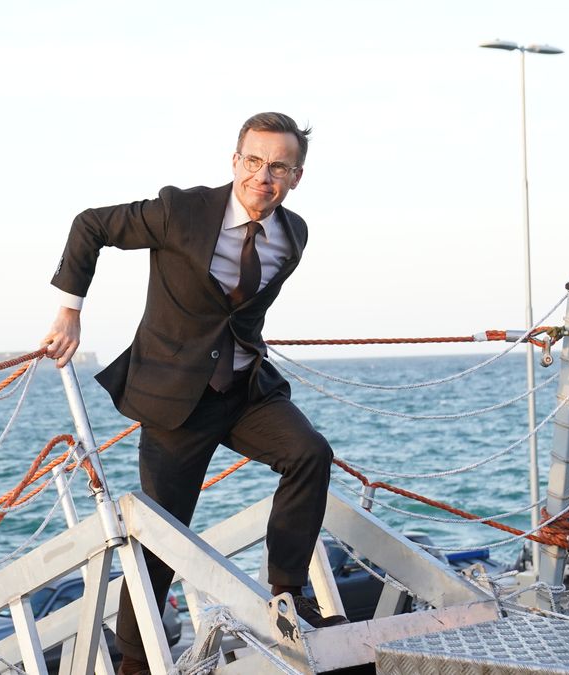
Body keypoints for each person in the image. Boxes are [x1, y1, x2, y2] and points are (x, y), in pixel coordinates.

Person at [42, 112, 346, 674]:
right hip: (175, 401)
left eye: (279, 167)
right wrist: (71, 312)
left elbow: (239, 312)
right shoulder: (181, 212)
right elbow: (91, 225)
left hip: (247, 391)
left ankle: (287, 592)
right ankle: (135, 662)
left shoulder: (293, 235)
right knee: (163, 533)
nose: (264, 177)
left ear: (297, 176)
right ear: (235, 162)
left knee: (310, 453)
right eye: (254, 162)